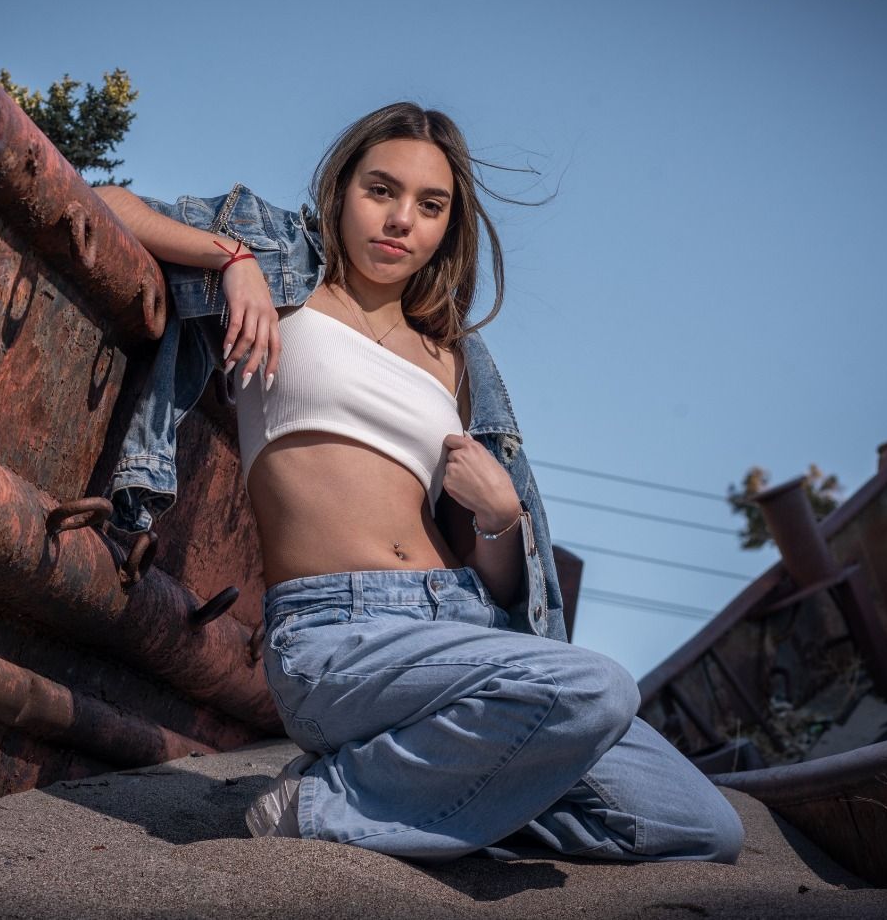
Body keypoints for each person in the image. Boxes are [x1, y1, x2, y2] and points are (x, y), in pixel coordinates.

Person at [96, 102, 742, 864]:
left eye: (429, 206)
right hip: (339, 634)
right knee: (598, 687)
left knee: (700, 824)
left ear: (448, 225)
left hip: (470, 629)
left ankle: (406, 795)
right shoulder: (284, 274)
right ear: (340, 190)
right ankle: (322, 804)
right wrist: (231, 259)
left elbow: (505, 586)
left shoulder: (457, 357)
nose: (401, 220)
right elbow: (108, 203)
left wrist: (504, 518)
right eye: (381, 191)